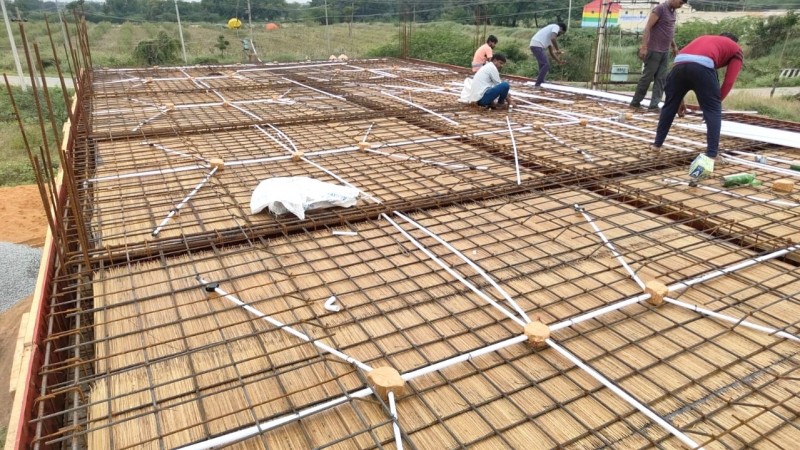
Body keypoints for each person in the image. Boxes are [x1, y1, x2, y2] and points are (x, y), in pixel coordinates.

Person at [650, 33, 744, 177]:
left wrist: (678, 100)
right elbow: (729, 81)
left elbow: (684, 64)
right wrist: (714, 104)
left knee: (669, 106)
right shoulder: (736, 49)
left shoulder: (705, 39)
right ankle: (712, 155)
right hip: (702, 67)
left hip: (679, 65)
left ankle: (656, 146)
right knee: (713, 111)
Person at [630, 0, 686, 110]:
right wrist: (644, 46)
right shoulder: (660, 9)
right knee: (647, 77)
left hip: (664, 51)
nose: (681, 6)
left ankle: (654, 105)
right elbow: (648, 28)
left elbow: (668, 32)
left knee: (661, 78)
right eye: (680, 3)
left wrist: (674, 46)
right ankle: (635, 103)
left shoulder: (673, 12)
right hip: (653, 49)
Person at [529, 23, 567, 87]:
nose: (560, 35)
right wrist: (558, 50)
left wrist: (559, 61)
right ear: (561, 28)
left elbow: (551, 53)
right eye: (561, 33)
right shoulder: (556, 27)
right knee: (545, 64)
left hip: (536, 45)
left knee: (542, 65)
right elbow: (553, 39)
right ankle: (537, 84)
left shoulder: (549, 36)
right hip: (537, 45)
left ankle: (541, 80)